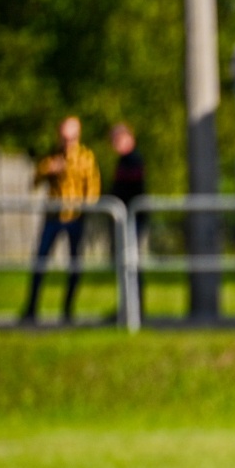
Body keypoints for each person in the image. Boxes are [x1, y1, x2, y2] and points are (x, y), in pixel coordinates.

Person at [22, 115, 100, 324]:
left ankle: (67, 310)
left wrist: (85, 210)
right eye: (64, 138)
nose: (67, 142)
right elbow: (34, 182)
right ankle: (31, 308)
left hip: (75, 218)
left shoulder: (86, 157)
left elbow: (93, 189)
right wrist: (47, 169)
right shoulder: (52, 157)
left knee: (74, 264)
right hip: (53, 217)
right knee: (40, 261)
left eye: (71, 138)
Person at [109, 123, 146, 314]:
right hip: (128, 219)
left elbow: (130, 187)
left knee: (131, 263)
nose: (116, 143)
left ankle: (135, 309)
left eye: (119, 139)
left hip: (133, 219)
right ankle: (129, 308)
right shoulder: (125, 160)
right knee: (127, 263)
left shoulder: (133, 160)